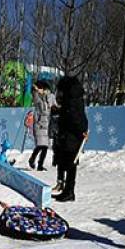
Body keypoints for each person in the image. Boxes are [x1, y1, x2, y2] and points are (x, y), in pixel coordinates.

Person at [53, 75, 88, 203]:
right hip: (72, 135)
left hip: (71, 136)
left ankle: (69, 192)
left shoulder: (72, 99)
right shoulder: (75, 98)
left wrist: (80, 132)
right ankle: (67, 190)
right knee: (68, 163)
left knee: (70, 163)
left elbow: (74, 118)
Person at [28, 80, 54, 172]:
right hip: (39, 125)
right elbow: (35, 96)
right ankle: (32, 159)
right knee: (40, 145)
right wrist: (35, 90)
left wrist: (46, 94)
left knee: (45, 146)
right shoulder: (37, 98)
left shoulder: (49, 97)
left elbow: (52, 104)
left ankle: (40, 165)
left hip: (46, 124)